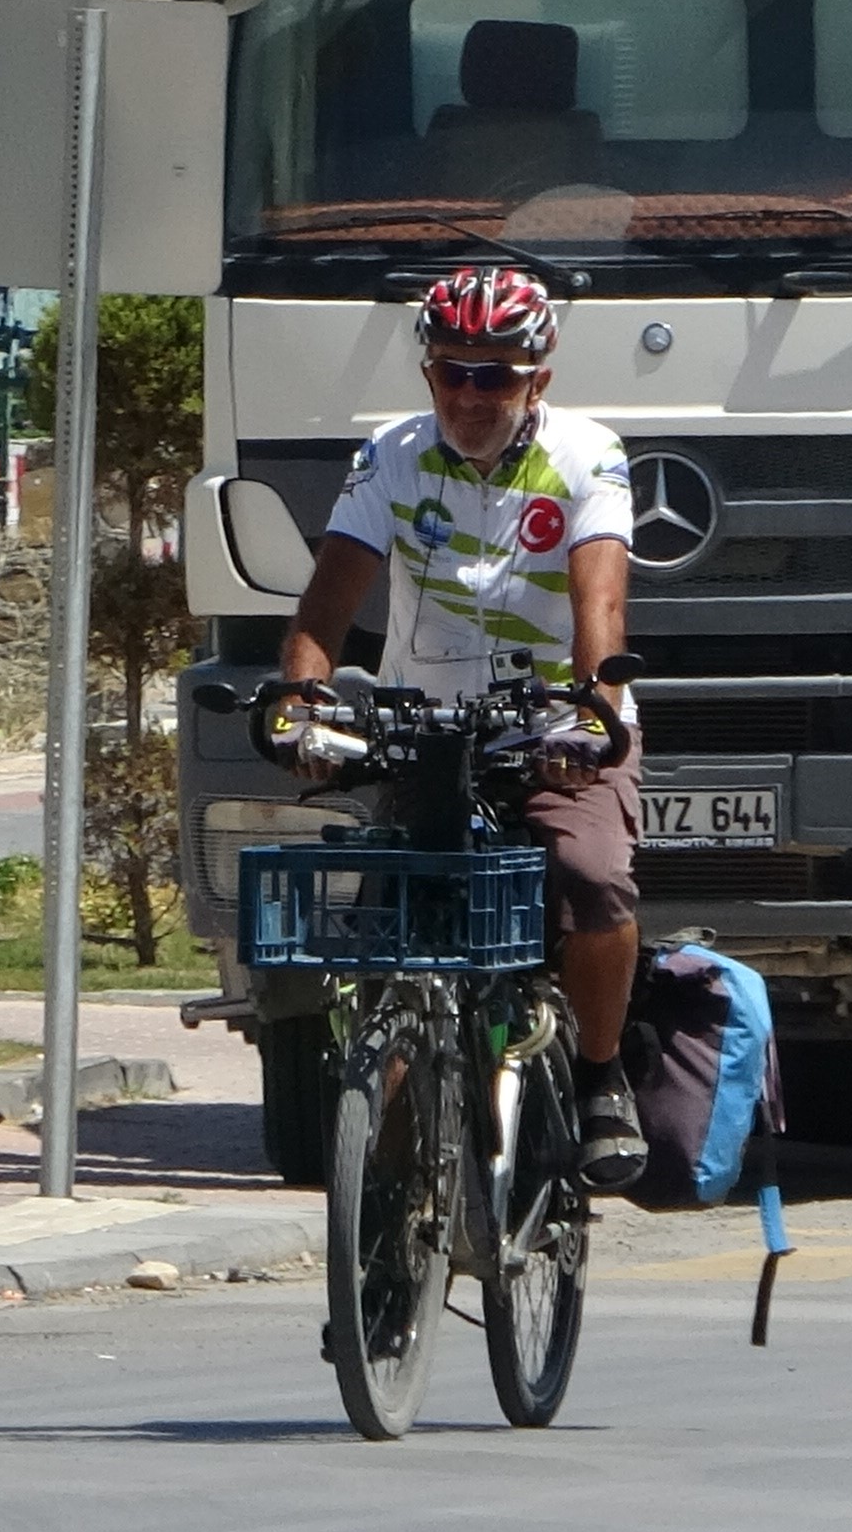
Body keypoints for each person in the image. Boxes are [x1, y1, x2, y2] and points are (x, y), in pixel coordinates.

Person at [268, 267, 651, 1188]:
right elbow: (326, 608)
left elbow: (601, 599)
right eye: (452, 373)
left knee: (592, 878)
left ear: (538, 382)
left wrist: (593, 707)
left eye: (496, 376)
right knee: (397, 935)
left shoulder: (588, 456)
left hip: (552, 726)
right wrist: (301, 703)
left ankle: (601, 1080)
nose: (471, 396)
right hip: (428, 728)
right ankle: (394, 1205)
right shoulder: (390, 457)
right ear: (429, 374)